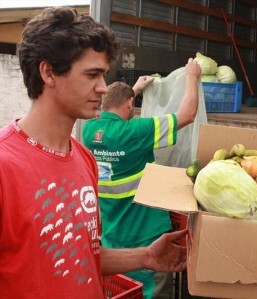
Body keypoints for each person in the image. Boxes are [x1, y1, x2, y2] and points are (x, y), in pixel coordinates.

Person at [0, 7, 188, 298]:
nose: (103, 88)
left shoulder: (84, 157)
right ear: (48, 72)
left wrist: (145, 257)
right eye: (92, 75)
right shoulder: (4, 167)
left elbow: (81, 255)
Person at [82, 59, 201, 299]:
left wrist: (133, 90)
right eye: (132, 105)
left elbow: (114, 107)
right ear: (128, 105)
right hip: (145, 236)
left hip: (113, 239)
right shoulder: (135, 133)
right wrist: (191, 76)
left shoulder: (89, 130)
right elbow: (187, 114)